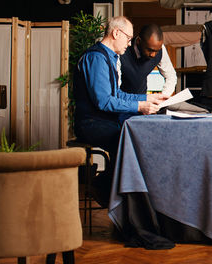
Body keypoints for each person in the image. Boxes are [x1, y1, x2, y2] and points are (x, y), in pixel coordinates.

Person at [73, 16, 168, 206]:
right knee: (129, 142)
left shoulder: (108, 57)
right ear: (116, 33)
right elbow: (104, 101)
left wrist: (148, 98)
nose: (130, 43)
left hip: (104, 121)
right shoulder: (96, 58)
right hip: (90, 124)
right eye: (129, 38)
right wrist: (140, 106)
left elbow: (117, 94)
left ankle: (122, 198)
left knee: (137, 137)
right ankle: (106, 190)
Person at [119, 24, 176, 96]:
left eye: (157, 51)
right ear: (139, 41)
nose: (153, 55)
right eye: (150, 50)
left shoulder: (159, 48)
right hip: (123, 102)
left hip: (144, 101)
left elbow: (171, 75)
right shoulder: (122, 51)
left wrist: (163, 97)